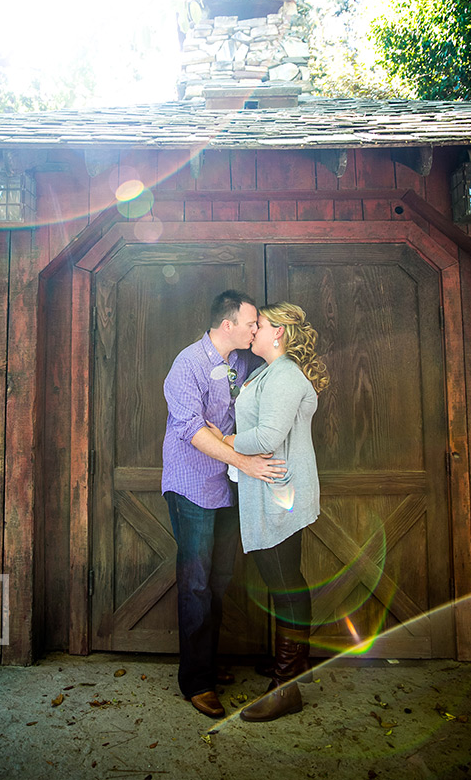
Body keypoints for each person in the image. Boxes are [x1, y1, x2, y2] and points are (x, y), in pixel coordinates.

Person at [162, 290, 286, 720]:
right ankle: (196, 682)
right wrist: (244, 460)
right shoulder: (187, 365)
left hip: (230, 485)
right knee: (195, 582)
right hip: (191, 484)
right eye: (252, 322)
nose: (256, 329)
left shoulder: (245, 363)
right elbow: (193, 431)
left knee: (220, 579)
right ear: (227, 324)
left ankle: (208, 665)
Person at [208, 301, 329, 722]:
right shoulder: (267, 373)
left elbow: (269, 436)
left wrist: (223, 439)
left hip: (281, 494)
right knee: (284, 579)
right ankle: (295, 667)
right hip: (270, 490)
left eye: (260, 325)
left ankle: (286, 685)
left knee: (284, 582)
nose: (253, 330)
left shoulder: (285, 376)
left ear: (278, 333)